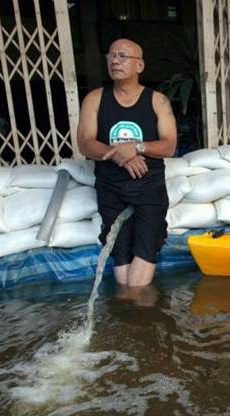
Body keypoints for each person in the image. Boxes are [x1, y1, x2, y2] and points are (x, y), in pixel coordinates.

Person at [77, 38, 177, 288]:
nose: (115, 61)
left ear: (139, 65)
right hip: (110, 187)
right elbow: (85, 143)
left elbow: (169, 145)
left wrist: (137, 147)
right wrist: (121, 154)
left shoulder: (157, 100)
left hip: (149, 187)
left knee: (145, 248)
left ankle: (133, 312)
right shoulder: (95, 98)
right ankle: (131, 312)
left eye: (123, 56)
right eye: (110, 56)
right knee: (119, 254)